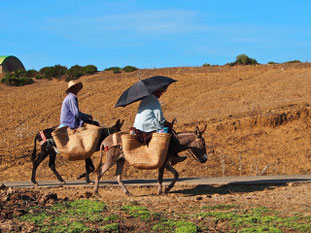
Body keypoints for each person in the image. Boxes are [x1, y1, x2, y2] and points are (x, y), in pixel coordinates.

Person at [133, 86, 187, 165]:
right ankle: (174, 157)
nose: (161, 94)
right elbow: (160, 118)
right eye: (160, 91)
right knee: (170, 133)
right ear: (154, 91)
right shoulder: (154, 100)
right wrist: (169, 124)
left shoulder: (144, 100)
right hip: (148, 127)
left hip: (138, 126)